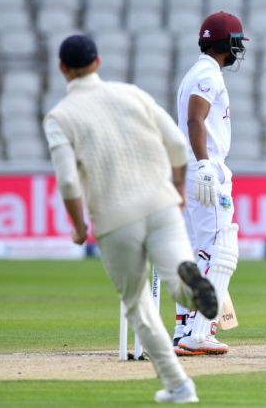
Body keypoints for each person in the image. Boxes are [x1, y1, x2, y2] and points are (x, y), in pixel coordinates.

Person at [43, 34, 219, 403]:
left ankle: (178, 385)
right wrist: (179, 189)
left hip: (114, 217)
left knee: (138, 305)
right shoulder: (131, 93)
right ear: (98, 62)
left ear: (62, 69)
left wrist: (78, 228)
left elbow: (69, 181)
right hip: (160, 202)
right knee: (175, 274)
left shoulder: (59, 117)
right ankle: (188, 289)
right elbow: (175, 141)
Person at [171, 11, 247, 356]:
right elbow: (194, 119)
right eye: (237, 42)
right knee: (220, 248)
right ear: (228, 43)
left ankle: (185, 326)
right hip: (205, 169)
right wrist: (204, 164)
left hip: (193, 168)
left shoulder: (199, 71)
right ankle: (199, 332)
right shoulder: (207, 74)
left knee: (194, 250)